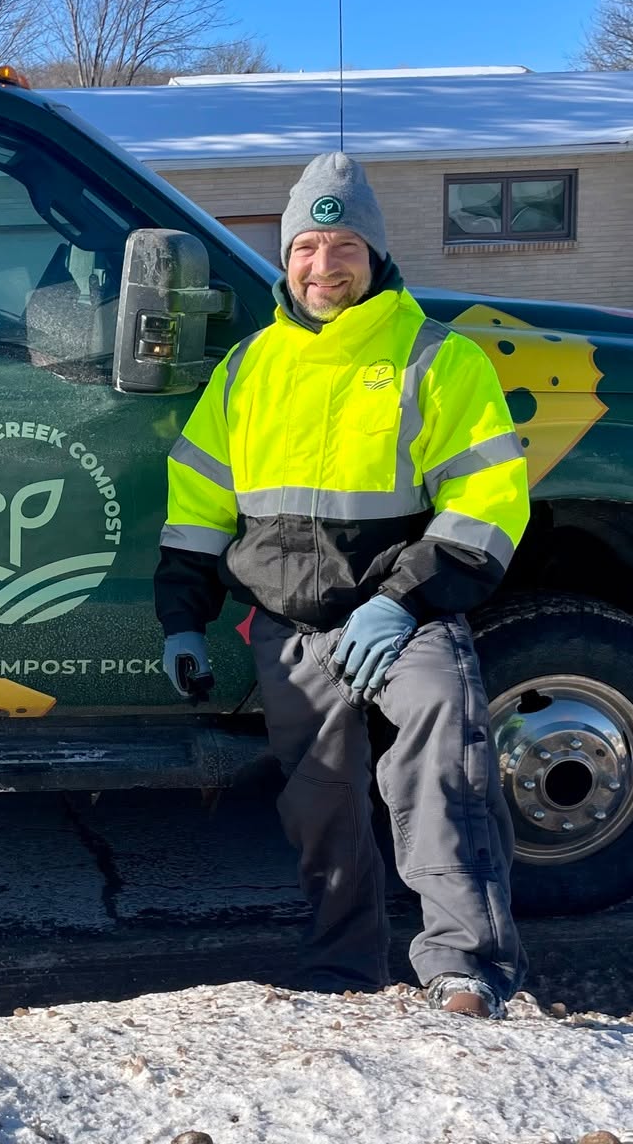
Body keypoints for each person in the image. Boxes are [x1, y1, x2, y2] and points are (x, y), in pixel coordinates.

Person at [155, 151, 529, 1020]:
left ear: (377, 254)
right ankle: (342, 970)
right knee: (320, 795)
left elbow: (486, 500)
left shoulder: (437, 359)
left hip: (406, 616)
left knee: (443, 751)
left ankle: (464, 968)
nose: (324, 267)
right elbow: (201, 502)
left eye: (344, 245)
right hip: (290, 625)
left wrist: (399, 601)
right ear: (285, 259)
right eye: (306, 248)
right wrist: (182, 618)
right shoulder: (250, 368)